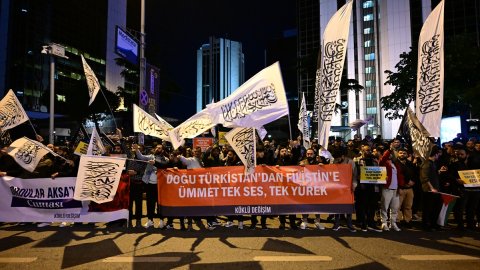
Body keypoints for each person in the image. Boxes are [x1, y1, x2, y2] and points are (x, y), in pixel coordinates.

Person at [133, 143, 169, 229]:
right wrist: (137, 149)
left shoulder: (166, 159)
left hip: (160, 185)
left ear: (163, 150)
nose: (157, 149)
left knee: (160, 203)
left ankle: (161, 221)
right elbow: (141, 157)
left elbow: (163, 165)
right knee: (150, 203)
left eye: (159, 148)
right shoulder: (150, 157)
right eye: (156, 147)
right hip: (149, 184)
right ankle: (150, 221)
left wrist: (155, 163)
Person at [354, 144, 382, 232]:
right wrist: (358, 177)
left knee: (372, 205)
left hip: (373, 187)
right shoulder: (357, 160)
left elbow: (378, 172)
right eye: (366, 150)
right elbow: (354, 173)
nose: (368, 152)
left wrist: (381, 176)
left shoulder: (374, 160)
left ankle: (371, 223)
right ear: (362, 151)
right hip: (362, 187)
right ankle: (363, 223)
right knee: (362, 206)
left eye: (369, 150)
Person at [331, 148, 357, 232]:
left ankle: (349, 224)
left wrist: (354, 184)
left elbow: (355, 174)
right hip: (338, 187)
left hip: (348, 186)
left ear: (342, 156)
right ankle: (336, 223)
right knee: (337, 205)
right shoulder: (335, 161)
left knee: (348, 205)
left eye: (338, 158)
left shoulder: (350, 162)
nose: (336, 160)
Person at [298, 148, 325, 230]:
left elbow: (326, 172)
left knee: (318, 204)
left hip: (316, 187)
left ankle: (317, 221)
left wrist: (322, 166)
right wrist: (300, 166)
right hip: (306, 187)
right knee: (305, 204)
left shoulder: (318, 161)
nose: (309, 155)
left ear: (314, 154)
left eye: (311, 153)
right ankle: (304, 220)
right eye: (308, 154)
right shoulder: (303, 162)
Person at [378, 145, 403, 232]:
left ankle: (393, 223)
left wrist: (400, 186)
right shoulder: (383, 163)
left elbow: (399, 176)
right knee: (385, 206)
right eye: (390, 153)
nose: (392, 154)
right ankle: (384, 222)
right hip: (387, 188)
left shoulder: (395, 164)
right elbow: (383, 159)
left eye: (392, 153)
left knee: (395, 208)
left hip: (395, 189)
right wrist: (389, 150)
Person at [420, 146, 443, 231]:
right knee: (428, 209)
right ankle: (426, 225)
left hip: (435, 189)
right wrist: (431, 188)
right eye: (439, 153)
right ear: (436, 154)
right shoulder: (426, 163)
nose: (439, 155)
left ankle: (433, 224)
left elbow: (431, 175)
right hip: (428, 190)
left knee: (435, 208)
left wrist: (439, 171)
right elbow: (424, 177)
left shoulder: (433, 163)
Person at [276, 146, 298, 230]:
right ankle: (282, 223)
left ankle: (292, 223)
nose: (284, 152)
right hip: (281, 187)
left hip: (291, 187)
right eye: (282, 151)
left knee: (292, 206)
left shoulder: (291, 160)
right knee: (282, 206)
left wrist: (295, 147)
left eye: (285, 151)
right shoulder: (277, 161)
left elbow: (296, 156)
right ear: (279, 153)